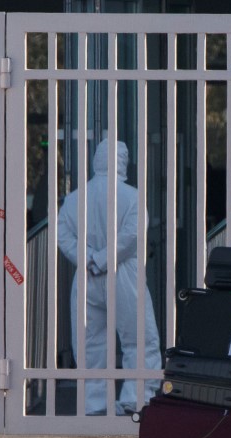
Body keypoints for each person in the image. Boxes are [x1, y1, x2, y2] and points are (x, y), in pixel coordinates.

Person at [57, 139, 162, 416]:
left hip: (87, 275)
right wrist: (105, 259)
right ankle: (136, 397)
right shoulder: (132, 196)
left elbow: (64, 235)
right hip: (124, 272)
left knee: (89, 341)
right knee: (138, 338)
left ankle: (94, 402)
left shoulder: (75, 197)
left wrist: (90, 258)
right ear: (122, 162)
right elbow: (132, 235)